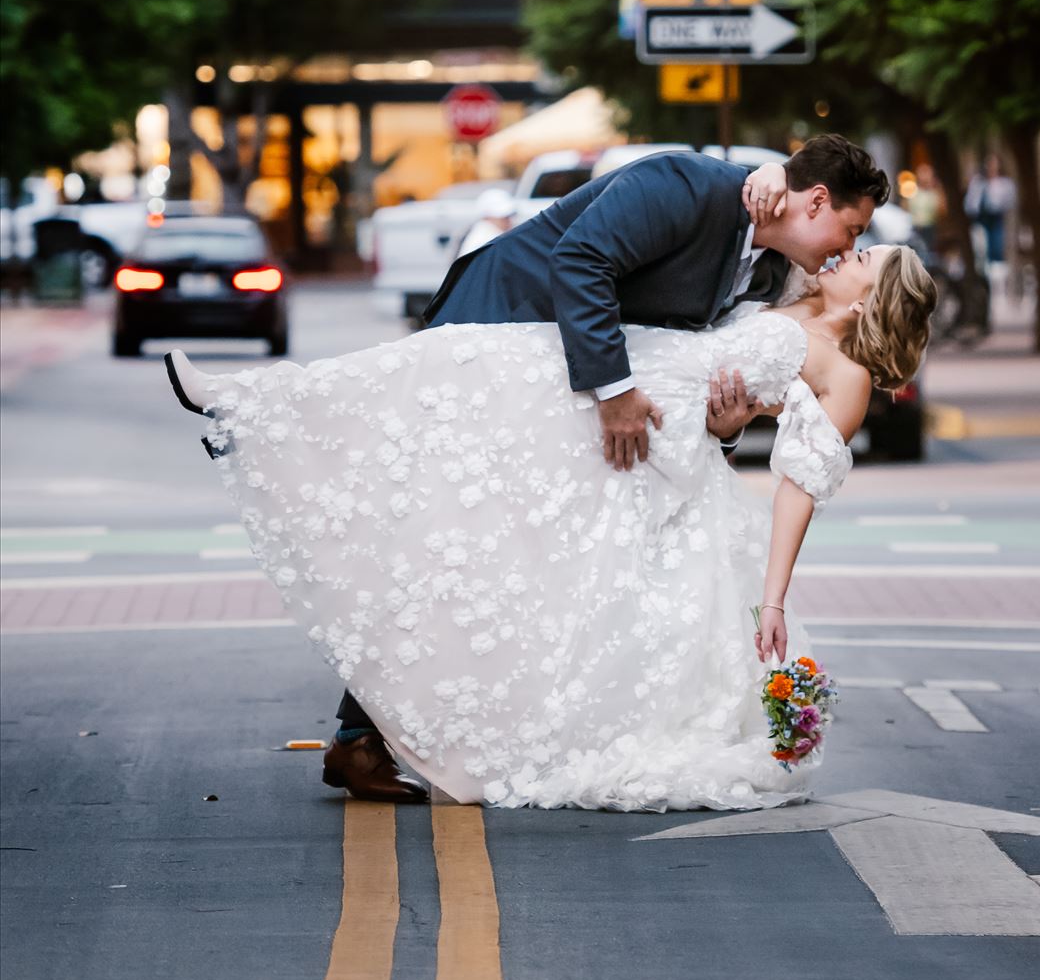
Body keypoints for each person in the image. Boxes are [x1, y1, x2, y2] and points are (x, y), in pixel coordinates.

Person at [165, 138, 912, 806]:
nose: (850, 246)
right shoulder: (686, 187)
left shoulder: (774, 271)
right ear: (816, 201)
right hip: (511, 327)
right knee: (411, 466)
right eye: (852, 229)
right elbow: (581, 260)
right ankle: (249, 411)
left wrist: (717, 427)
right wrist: (615, 393)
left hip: (587, 401)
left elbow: (718, 378)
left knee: (479, 553)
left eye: (863, 247)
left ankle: (362, 740)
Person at [965, 154, 1017, 265]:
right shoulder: (978, 182)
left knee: (997, 248)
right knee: (981, 250)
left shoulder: (1004, 183)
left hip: (997, 218)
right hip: (981, 219)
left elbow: (1010, 202)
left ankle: (997, 274)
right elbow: (970, 203)